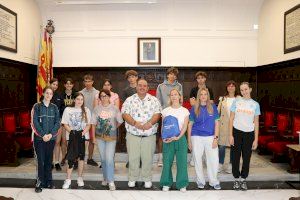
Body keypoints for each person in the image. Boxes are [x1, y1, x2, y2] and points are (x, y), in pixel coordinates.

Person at [121, 78, 161, 189]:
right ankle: (132, 179)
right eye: (140, 85)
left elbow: (157, 113)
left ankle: (147, 179)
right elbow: (124, 113)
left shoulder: (154, 100)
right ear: (136, 87)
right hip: (133, 133)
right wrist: (134, 123)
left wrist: (150, 123)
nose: (142, 87)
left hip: (149, 134)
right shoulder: (129, 100)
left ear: (148, 88)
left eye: (144, 85)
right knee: (133, 158)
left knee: (147, 158)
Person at [187, 88, 221, 190]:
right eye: (201, 94)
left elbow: (217, 123)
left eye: (205, 94)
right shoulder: (194, 108)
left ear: (208, 96)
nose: (203, 96)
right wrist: (189, 141)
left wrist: (216, 138)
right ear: (198, 96)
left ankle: (214, 181)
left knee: (214, 160)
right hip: (196, 136)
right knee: (197, 160)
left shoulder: (213, 107)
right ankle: (200, 181)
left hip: (210, 137)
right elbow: (190, 125)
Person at [229, 82, 260, 191]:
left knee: (246, 157)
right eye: (242, 90)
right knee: (235, 157)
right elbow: (231, 119)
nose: (244, 92)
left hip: (249, 134)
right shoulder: (236, 101)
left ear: (250, 89)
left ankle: (243, 179)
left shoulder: (255, 104)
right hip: (236, 132)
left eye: (246, 89)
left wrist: (256, 139)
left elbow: (256, 122)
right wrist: (230, 135)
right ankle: (236, 178)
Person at [91, 89, 123, 191]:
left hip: (111, 138)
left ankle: (111, 181)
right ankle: (105, 178)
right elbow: (93, 124)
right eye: (102, 96)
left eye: (105, 96)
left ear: (109, 97)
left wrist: (112, 128)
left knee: (109, 159)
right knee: (103, 159)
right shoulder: (96, 109)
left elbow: (120, 122)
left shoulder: (115, 109)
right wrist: (93, 137)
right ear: (99, 98)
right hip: (100, 137)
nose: (104, 98)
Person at [32, 86, 60, 193]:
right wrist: (43, 135)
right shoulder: (37, 106)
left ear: (52, 95)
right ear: (43, 94)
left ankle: (49, 181)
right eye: (47, 93)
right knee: (41, 161)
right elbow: (34, 123)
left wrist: (50, 134)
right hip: (39, 139)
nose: (49, 95)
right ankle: (39, 182)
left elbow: (57, 123)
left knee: (49, 161)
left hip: (51, 139)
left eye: (51, 94)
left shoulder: (55, 107)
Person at [160, 89, 189, 192]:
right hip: (168, 140)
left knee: (182, 162)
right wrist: (163, 138)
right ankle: (166, 183)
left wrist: (178, 137)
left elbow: (185, 126)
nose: (174, 96)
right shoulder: (165, 111)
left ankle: (182, 184)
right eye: (172, 95)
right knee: (167, 161)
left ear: (179, 96)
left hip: (180, 139)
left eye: (176, 94)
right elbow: (163, 126)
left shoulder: (185, 111)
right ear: (170, 97)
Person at [61, 92, 91, 189]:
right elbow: (65, 123)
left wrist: (82, 133)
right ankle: (68, 179)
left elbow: (89, 125)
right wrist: (73, 132)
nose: (79, 101)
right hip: (72, 136)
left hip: (83, 136)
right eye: (78, 99)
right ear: (74, 100)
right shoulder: (68, 109)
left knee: (81, 158)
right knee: (71, 157)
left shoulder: (86, 110)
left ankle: (79, 178)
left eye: (81, 99)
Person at [156, 67, 183, 166]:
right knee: (162, 135)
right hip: (165, 114)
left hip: (176, 114)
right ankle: (160, 158)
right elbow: (158, 102)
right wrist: (162, 113)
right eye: (171, 74)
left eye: (175, 75)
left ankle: (173, 156)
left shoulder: (179, 85)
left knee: (175, 133)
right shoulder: (161, 86)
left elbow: (181, 99)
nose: (173, 76)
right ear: (167, 75)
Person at [217, 80, 239, 173]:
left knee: (233, 146)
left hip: (236, 124)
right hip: (223, 125)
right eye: (229, 86)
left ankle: (231, 164)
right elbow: (218, 112)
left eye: (232, 86)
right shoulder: (222, 99)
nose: (231, 87)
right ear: (227, 88)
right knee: (221, 146)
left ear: (235, 87)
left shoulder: (239, 99)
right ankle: (220, 163)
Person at [80, 74, 99, 167]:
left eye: (89, 81)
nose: (87, 83)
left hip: (93, 121)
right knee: (81, 140)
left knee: (91, 140)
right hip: (82, 120)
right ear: (84, 82)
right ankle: (79, 158)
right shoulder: (80, 93)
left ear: (92, 82)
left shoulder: (97, 93)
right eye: (86, 81)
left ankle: (90, 158)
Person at [121, 70, 138, 168]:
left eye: (133, 76)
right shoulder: (125, 90)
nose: (131, 78)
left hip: (141, 118)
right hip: (129, 118)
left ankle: (139, 159)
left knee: (139, 140)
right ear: (127, 79)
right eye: (129, 77)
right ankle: (131, 160)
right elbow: (124, 105)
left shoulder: (141, 88)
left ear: (136, 77)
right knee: (130, 140)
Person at [60, 78, 77, 167]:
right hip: (64, 121)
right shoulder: (61, 95)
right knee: (64, 141)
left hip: (74, 121)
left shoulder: (76, 94)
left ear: (73, 85)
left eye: (70, 84)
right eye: (67, 84)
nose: (69, 85)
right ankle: (63, 157)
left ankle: (74, 158)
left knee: (73, 141)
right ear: (64, 85)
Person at [49, 78, 64, 171]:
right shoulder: (46, 94)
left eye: (56, 85)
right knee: (50, 143)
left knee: (57, 143)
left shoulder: (59, 95)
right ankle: (50, 162)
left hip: (58, 122)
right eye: (53, 84)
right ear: (50, 84)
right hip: (48, 123)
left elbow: (62, 108)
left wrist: (61, 120)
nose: (55, 86)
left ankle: (57, 162)